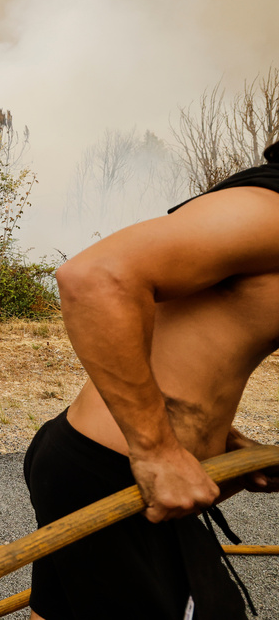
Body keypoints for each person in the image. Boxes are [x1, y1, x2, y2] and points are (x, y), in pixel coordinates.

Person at [24, 143, 279, 619]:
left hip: (103, 468)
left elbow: (196, 340)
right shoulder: (271, 208)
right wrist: (158, 451)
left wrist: (221, 442)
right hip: (116, 476)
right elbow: (93, 279)